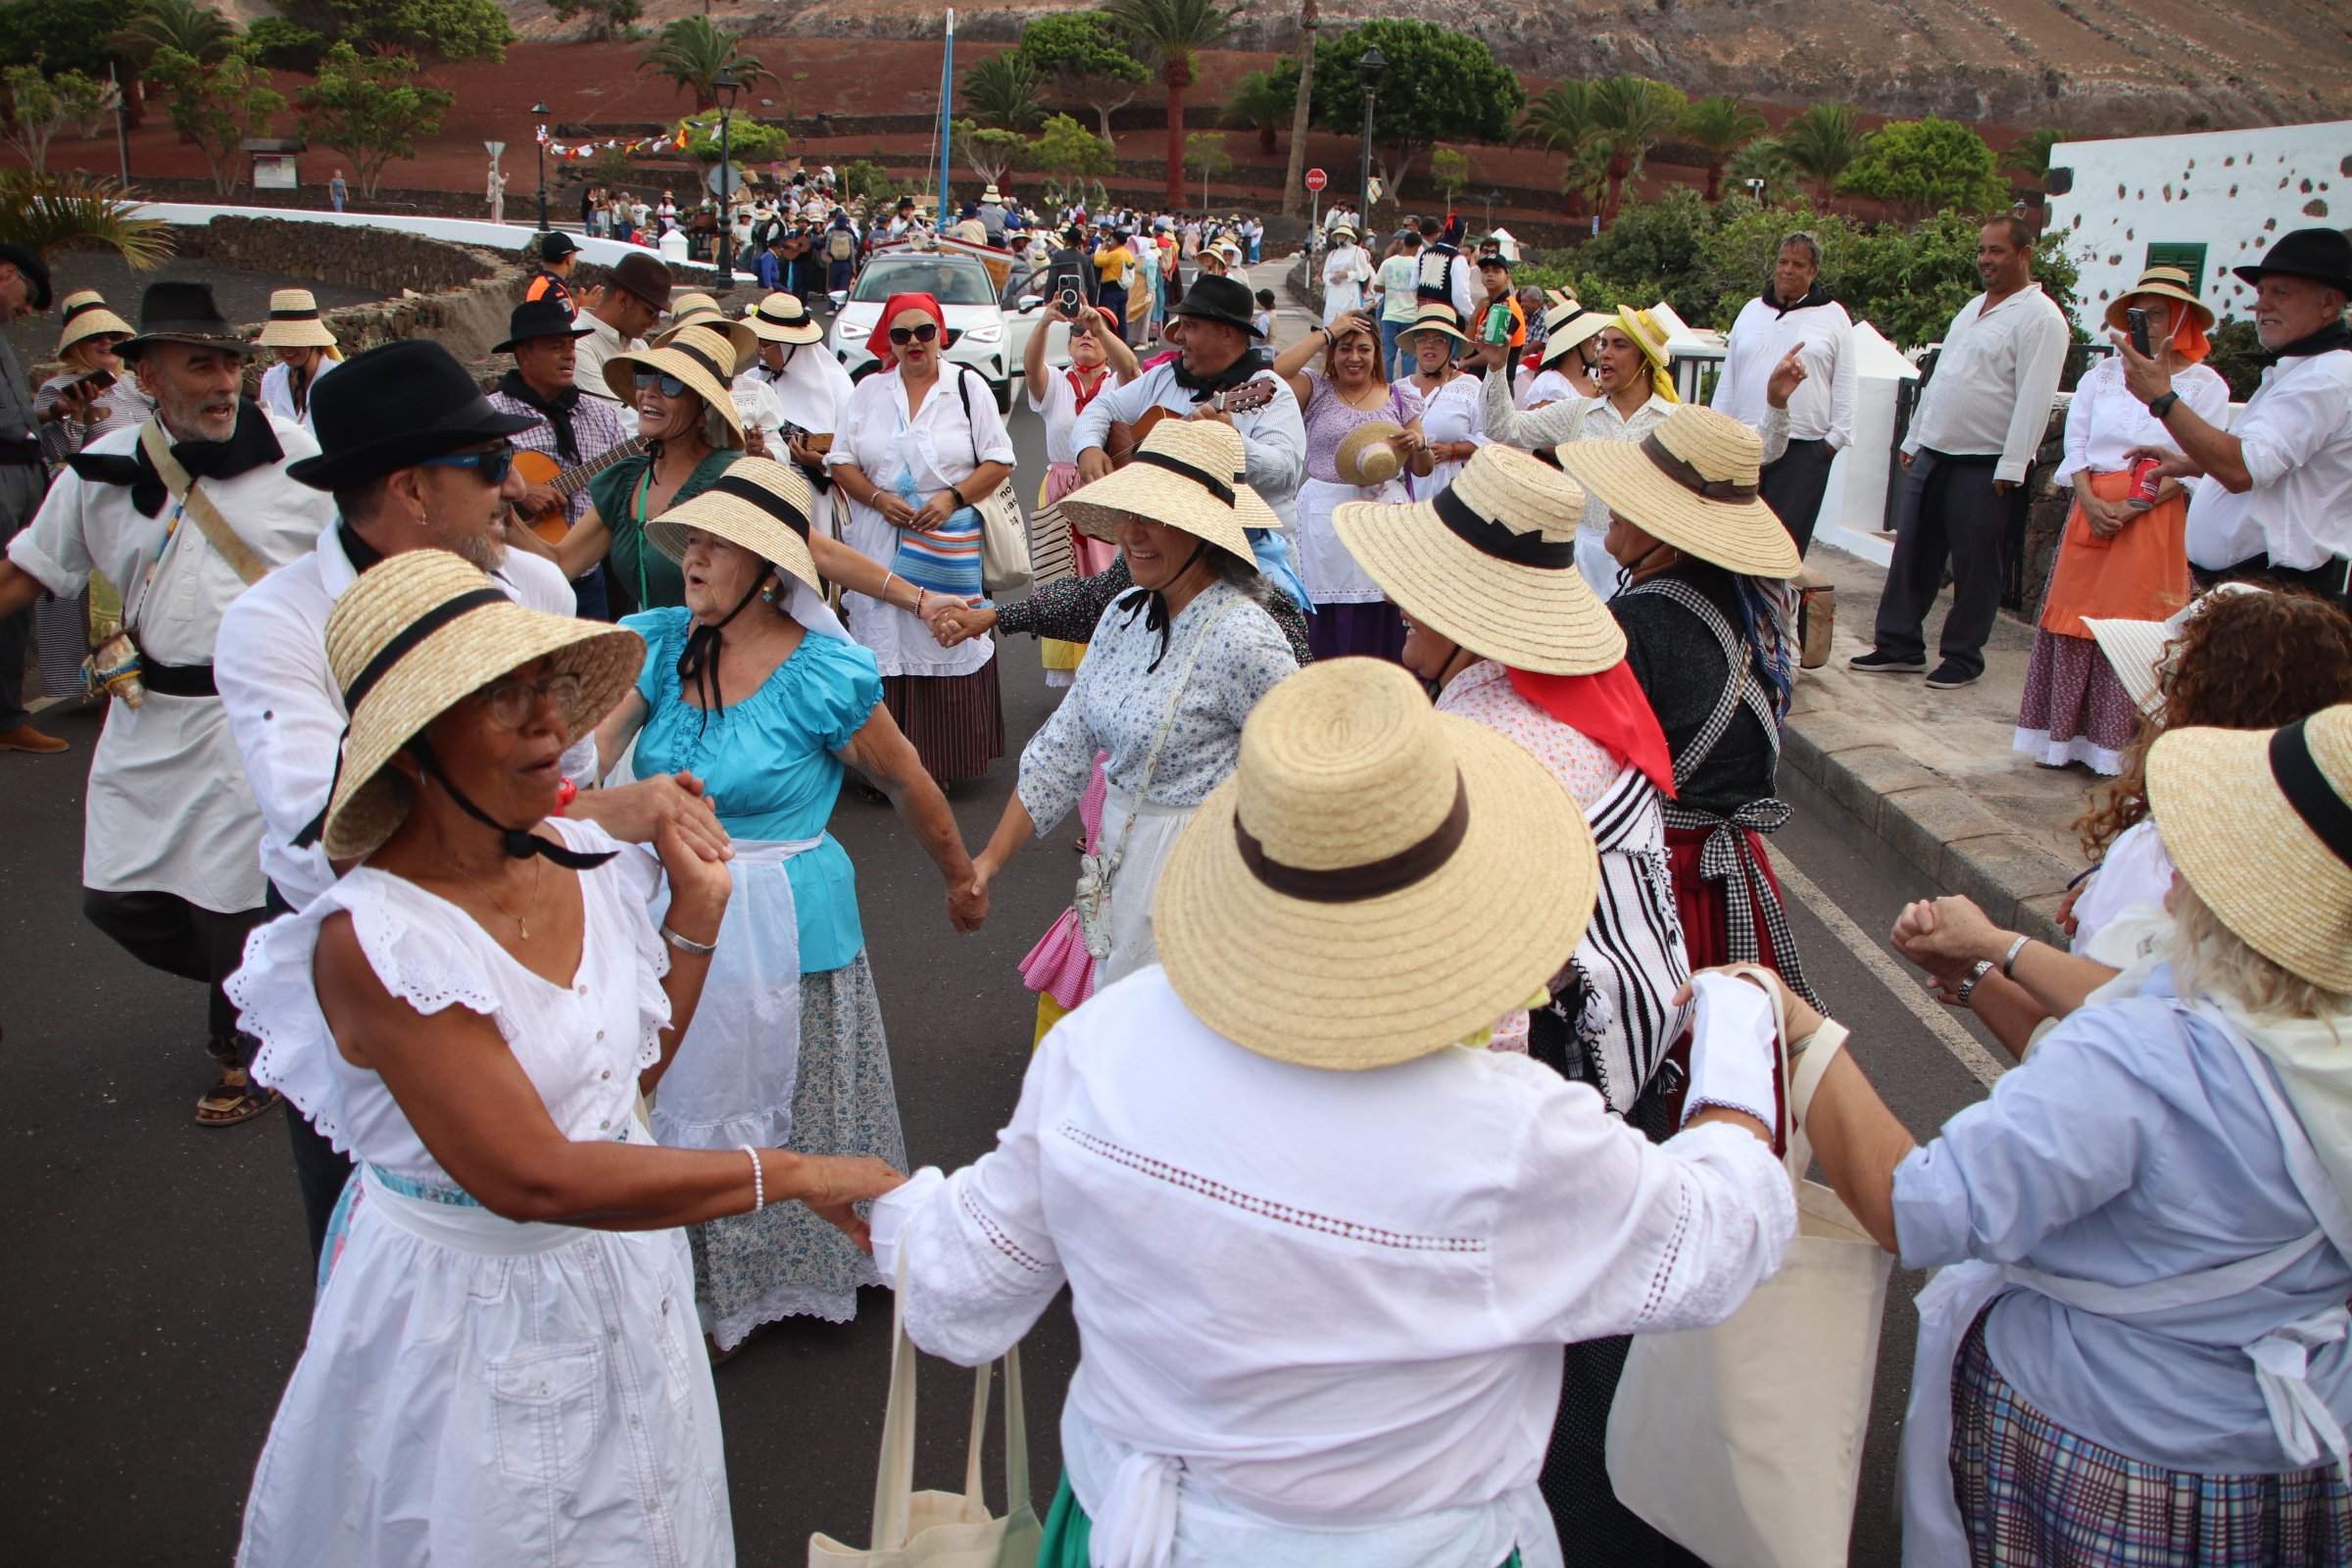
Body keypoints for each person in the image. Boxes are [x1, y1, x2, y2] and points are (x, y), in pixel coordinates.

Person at [873, 655, 1799, 1568]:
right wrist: (1736, 1028)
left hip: (1130, 1528)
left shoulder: (1104, 1047)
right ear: (1461, 899)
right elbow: (1719, 1237)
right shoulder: (1510, 1135)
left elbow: (962, 1295)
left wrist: (880, 1202)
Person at [225, 548, 904, 1564]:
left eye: (545, 687)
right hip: (472, 1316)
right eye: (501, 699)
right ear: (410, 746)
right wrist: (794, 1172)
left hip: (622, 1273)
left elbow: (620, 1090)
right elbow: (534, 1173)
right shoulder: (375, 941)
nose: (551, 723)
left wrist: (697, 920)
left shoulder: (582, 861)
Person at [1760, 703, 2352, 1567]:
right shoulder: (2301, 1043)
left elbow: (1914, 1205)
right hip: (2276, 1452)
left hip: (2114, 1451)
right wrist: (1977, 978)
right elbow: (2103, 1088)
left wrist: (1802, 1028)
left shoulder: (2145, 1061)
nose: (2175, 864)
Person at [217, 337, 729, 1258]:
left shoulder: (529, 581)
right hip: (383, 963)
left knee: (596, 1139)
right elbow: (323, 836)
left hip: (537, 921)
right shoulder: (278, 625)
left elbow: (566, 762)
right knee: (402, 1215)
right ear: (412, 489)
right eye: (489, 465)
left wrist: (590, 821)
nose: (511, 489)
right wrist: (605, 815)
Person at [595, 460, 980, 1347]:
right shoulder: (657, 644)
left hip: (790, 921)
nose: (691, 559)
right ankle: (699, 1277)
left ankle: (809, 1261)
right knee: (679, 1090)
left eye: (714, 546)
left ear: (767, 568)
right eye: (688, 541)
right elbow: (591, 749)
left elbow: (906, 777)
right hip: (669, 913)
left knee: (792, 1096)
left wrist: (959, 877)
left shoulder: (821, 672)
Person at [0, 281, 332, 1123]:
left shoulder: (296, 456)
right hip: (146, 714)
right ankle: (283, 978)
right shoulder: (100, 471)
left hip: (252, 717)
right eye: (200, 365)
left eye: (231, 364)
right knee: (119, 899)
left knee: (230, 901)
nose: (224, 382)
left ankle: (252, 1044)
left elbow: (364, 558)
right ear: (147, 373)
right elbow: (30, 569)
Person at [1334, 442, 1691, 1104]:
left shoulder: (1481, 746)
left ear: (1469, 609)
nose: (1393, 599)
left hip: (1536, 1065)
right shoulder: (1566, 692)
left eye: (1417, 586)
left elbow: (1480, 976)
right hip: (1613, 1036)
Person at [1904, 586, 2352, 1055]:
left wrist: (1988, 947)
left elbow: (2108, 1027)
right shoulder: (2289, 838)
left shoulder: (2168, 848)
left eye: (2168, 681)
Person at [968, 419, 1298, 993]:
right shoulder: (1125, 612)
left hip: (1204, 882)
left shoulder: (1244, 636)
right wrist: (987, 864)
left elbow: (1305, 772)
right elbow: (1061, 749)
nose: (1131, 533)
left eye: (1156, 517)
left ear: (1205, 532)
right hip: (1118, 865)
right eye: (1129, 513)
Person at [1558, 406, 1812, 1000]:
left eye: (1631, 500)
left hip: (1662, 881)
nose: (1612, 507)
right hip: (1735, 878)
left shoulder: (1639, 622)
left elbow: (1589, 770)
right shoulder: (1753, 604)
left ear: (1668, 528)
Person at [2014, 265, 2229, 774]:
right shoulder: (2102, 376)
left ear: (2182, 321)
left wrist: (2137, 504)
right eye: (2143, 314)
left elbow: (2200, 459)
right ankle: (2062, 739)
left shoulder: (2205, 387)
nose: (2150, 325)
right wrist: (2088, 500)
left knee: (2136, 624)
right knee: (2075, 621)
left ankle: (2118, 749)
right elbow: (2078, 444)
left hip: (2153, 513)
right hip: (2094, 508)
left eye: (2160, 315)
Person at [1853, 215, 2070, 689]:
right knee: (1913, 552)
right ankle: (1898, 645)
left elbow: (2034, 397)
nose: (1986, 260)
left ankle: (1962, 656)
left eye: (1997, 251)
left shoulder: (2042, 319)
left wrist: (2013, 465)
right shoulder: (1972, 308)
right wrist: (1914, 438)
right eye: (1982, 251)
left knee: (1976, 566)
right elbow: (1942, 379)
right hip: (1936, 450)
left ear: (2023, 255)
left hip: (1986, 462)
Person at [825, 293, 1016, 785]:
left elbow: (999, 459)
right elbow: (840, 460)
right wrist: (875, 497)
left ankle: (944, 764)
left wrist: (951, 499)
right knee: (881, 636)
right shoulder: (868, 391)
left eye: (924, 332)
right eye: (901, 334)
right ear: (888, 341)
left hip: (945, 538)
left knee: (946, 627)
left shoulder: (968, 387)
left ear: (940, 335)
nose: (914, 343)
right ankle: (884, 770)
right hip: (879, 534)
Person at [2122, 226, 2352, 609]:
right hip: (2251, 592)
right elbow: (2275, 469)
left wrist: (2162, 398)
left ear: (2328, 303)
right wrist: (2192, 464)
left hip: (2276, 596)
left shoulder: (2325, 378)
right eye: (2261, 292)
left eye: (2281, 292)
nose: (2261, 305)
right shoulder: (2300, 371)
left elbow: (2241, 470)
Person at [1069, 273, 1309, 581]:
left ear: (1227, 334)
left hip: (1249, 566)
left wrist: (1232, 444)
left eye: (1190, 327)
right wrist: (1088, 446)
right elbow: (1102, 407)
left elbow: (1285, 472)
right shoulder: (1165, 377)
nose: (1178, 336)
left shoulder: (1270, 392)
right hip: (1163, 560)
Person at [1475, 308, 1685, 600]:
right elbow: (1503, 428)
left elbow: (1755, 451)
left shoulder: (1675, 422)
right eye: (1604, 344)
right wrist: (1497, 367)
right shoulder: (1578, 413)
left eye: (1619, 345)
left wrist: (1774, 407)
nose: (1605, 354)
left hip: (1648, 569)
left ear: (1645, 361)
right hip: (1579, 565)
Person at [552, 323, 749, 616]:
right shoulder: (629, 479)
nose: (649, 392)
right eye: (645, 377)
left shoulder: (732, 476)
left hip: (718, 655)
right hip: (655, 653)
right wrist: (500, 496)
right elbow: (559, 563)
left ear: (704, 409)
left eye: (671, 383)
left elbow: (811, 552)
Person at [1271, 309, 1431, 660]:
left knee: (1381, 608)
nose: (1354, 357)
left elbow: (1421, 468)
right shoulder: (1316, 389)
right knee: (1326, 609)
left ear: (1377, 353)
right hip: (1324, 521)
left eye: (1363, 349)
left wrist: (1419, 445)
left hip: (1383, 520)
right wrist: (1330, 331)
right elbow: (1278, 371)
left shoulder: (1400, 396)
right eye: (1345, 349)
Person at [483, 296, 635, 620]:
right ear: (524, 354)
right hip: (515, 582)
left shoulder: (601, 415)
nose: (569, 354)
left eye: (571, 345)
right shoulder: (490, 415)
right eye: (556, 346)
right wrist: (523, 492)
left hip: (589, 578)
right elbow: (468, 488)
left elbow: (628, 478)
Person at [1709, 231, 1857, 555]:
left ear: (1813, 272)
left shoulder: (1833, 317)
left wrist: (1830, 445)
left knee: (1783, 548)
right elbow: (1729, 377)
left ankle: (1779, 607)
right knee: (1735, 541)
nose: (1788, 270)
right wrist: (1717, 432)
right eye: (1783, 262)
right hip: (1745, 445)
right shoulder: (1750, 310)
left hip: (1803, 451)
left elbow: (1845, 384)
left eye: (1798, 264)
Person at [1024, 297, 1141, 686]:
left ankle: (1110, 670)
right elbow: (1030, 369)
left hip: (1106, 493)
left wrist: (1101, 324)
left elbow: (1133, 369)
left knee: (1109, 577)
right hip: (1059, 492)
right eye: (1078, 331)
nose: (1086, 336)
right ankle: (1072, 683)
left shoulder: (1116, 385)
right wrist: (1043, 324)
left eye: (1096, 331)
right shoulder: (1056, 382)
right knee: (1061, 579)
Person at [0, 243, 59, 755]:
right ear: (6, 273)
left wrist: (53, 413)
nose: (26, 308)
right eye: (28, 294)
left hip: (21, 471)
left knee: (20, 590)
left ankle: (7, 715)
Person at [742, 290, 856, 501]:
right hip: (761, 491)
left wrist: (820, 460)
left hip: (813, 497)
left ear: (788, 346)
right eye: (758, 342)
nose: (759, 352)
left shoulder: (836, 387)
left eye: (765, 345)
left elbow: (855, 449)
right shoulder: (753, 380)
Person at [1401, 304, 1485, 497]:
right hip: (1404, 490)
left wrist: (1453, 450)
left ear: (1452, 346)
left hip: (1450, 491)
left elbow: (1488, 439)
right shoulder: (1398, 389)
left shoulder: (1469, 387)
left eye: (1439, 340)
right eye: (1422, 339)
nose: (1429, 345)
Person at [573, 251, 673, 405]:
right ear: (623, 300)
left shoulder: (637, 344)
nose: (656, 322)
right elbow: (615, 416)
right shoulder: (578, 344)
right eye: (651, 312)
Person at [255, 289, 340, 432]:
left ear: (313, 340)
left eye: (295, 342)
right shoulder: (271, 381)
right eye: (280, 342)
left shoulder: (338, 381)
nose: (286, 350)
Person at [1519, 295, 1606, 410]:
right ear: (1573, 344)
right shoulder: (1549, 386)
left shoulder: (1594, 375)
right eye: (1592, 336)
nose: (1597, 341)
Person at [1374, 228, 1423, 378]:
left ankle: (1385, 385)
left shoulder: (1388, 263)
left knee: (1388, 355)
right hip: (1411, 316)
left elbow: (1377, 286)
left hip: (1390, 315)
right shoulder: (1418, 265)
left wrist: (1391, 289)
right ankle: (1406, 387)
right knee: (1409, 355)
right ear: (1417, 247)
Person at [1416, 213, 1477, 323]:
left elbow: (1413, 285)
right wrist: (1473, 318)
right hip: (1444, 318)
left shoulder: (1424, 253)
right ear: (1461, 237)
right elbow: (1460, 297)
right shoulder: (1458, 259)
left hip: (1421, 315)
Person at [522, 229, 581, 318]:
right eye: (574, 255)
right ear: (568, 259)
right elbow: (569, 326)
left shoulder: (541, 283)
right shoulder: (554, 290)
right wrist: (585, 309)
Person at [1321, 223, 1371, 325]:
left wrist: (1348, 274)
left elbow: (1364, 273)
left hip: (1350, 290)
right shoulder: (1333, 254)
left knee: (1349, 319)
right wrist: (1332, 278)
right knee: (1331, 320)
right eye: (1339, 235)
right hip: (1334, 292)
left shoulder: (1357, 251)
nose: (1341, 238)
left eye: (1343, 235)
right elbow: (1326, 273)